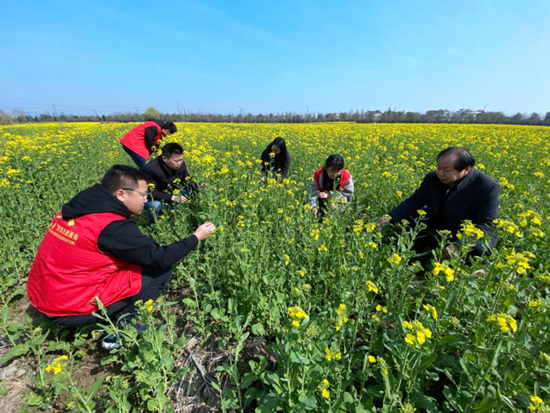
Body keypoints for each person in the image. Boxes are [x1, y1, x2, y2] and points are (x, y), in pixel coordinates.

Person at [26, 165, 215, 349]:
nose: (146, 199)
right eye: (142, 194)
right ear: (121, 194)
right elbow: (161, 258)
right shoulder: (112, 227)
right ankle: (125, 329)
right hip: (69, 308)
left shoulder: (74, 210)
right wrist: (196, 237)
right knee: (160, 271)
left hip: (41, 295)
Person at [377, 147, 500, 257]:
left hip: (465, 232)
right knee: (412, 218)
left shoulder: (487, 187)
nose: (440, 173)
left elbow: (486, 225)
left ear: (466, 169)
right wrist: (390, 217)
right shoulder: (432, 178)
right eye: (438, 167)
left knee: (479, 248)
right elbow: (414, 201)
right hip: (439, 225)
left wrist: (458, 245)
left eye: (446, 170)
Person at [141, 143, 205, 221]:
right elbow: (151, 193)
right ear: (164, 159)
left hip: (173, 191)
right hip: (155, 196)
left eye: (181, 159)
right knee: (155, 206)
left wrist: (198, 185)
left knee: (194, 191)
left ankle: (189, 217)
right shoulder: (150, 169)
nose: (179, 163)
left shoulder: (181, 164)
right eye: (176, 161)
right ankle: (153, 224)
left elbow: (187, 180)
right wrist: (171, 198)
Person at [309, 154, 354, 218]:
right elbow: (311, 194)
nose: (335, 174)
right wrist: (314, 207)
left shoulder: (346, 177)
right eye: (332, 170)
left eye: (338, 171)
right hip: (319, 202)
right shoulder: (317, 175)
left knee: (333, 207)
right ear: (326, 168)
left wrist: (330, 195)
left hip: (337, 204)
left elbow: (347, 199)